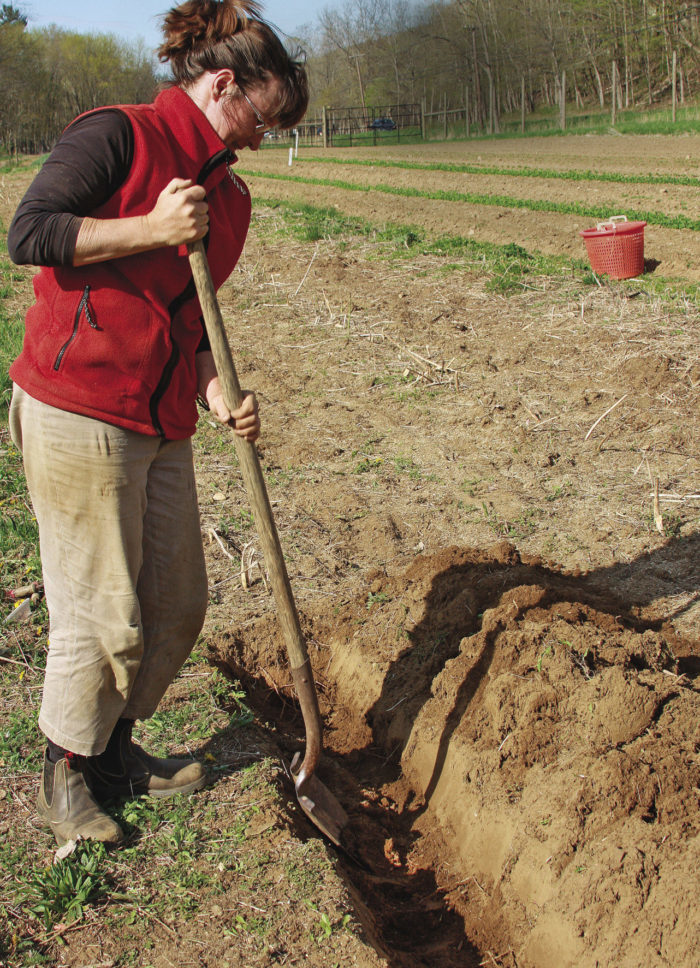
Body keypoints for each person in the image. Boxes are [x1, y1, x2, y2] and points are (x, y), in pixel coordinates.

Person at [6, 0, 308, 847]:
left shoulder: (229, 196)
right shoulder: (121, 135)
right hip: (78, 405)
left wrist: (218, 391)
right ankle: (65, 774)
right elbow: (29, 232)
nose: (261, 137)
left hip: (162, 415)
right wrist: (150, 225)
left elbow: (188, 321)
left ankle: (111, 752)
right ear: (221, 84)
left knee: (176, 602)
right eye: (260, 115)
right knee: (103, 612)